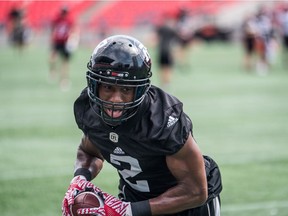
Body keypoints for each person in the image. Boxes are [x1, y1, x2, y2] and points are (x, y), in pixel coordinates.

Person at [62, 35, 222, 216]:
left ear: (140, 89)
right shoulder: (90, 110)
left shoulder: (160, 120)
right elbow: (89, 151)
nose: (115, 99)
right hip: (135, 200)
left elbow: (195, 192)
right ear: (94, 85)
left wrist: (127, 211)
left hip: (186, 207)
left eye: (125, 89)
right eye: (108, 87)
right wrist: (80, 179)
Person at [49, 6, 78, 91]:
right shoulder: (57, 20)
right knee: (52, 58)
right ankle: (53, 71)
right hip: (57, 41)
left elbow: (73, 30)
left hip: (65, 43)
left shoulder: (69, 21)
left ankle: (64, 80)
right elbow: (53, 28)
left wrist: (72, 40)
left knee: (65, 63)